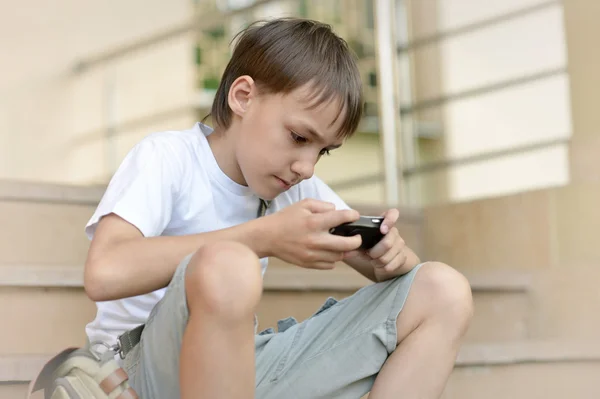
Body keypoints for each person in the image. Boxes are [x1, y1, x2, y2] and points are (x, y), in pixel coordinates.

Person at [82, 18, 473, 399]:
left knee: (443, 290)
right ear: (243, 97)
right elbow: (104, 272)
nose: (306, 166)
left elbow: (399, 279)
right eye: (298, 136)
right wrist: (262, 238)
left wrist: (392, 257)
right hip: (134, 373)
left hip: (234, 369)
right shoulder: (167, 157)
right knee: (229, 264)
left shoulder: (293, 185)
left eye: (322, 150)